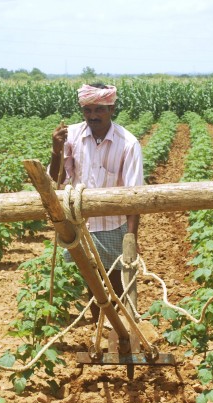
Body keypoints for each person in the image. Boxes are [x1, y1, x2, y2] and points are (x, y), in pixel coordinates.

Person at [49, 83, 144, 323]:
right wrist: (56, 149)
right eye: (88, 110)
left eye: (100, 110)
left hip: (113, 226)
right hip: (82, 226)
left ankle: (121, 331)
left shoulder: (128, 143)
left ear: (112, 109)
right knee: (92, 284)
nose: (93, 115)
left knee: (116, 284)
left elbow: (135, 196)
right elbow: (57, 178)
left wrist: (130, 239)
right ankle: (99, 330)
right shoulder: (72, 137)